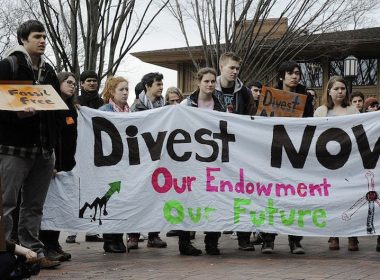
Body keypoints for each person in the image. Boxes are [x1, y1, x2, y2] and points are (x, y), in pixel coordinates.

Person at [0, 20, 61, 268]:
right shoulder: (8, 65)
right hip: (13, 149)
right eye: (37, 36)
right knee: (6, 204)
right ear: (23, 40)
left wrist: (55, 150)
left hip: (43, 151)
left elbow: (55, 112)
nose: (43, 40)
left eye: (45, 36)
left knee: (34, 206)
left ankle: (33, 252)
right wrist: (16, 114)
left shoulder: (48, 72)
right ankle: (3, 254)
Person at [260, 60, 313, 255]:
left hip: (295, 153)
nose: (294, 76)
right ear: (282, 76)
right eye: (290, 73)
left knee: (295, 197)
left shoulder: (306, 98)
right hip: (273, 152)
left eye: (297, 73)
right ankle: (268, 239)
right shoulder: (270, 97)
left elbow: (310, 124)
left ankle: (295, 240)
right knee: (271, 197)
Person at [182, 67, 226, 255]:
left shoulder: (220, 104)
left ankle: (212, 241)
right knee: (188, 199)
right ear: (198, 82)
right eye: (206, 81)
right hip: (190, 159)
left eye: (212, 81)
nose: (209, 85)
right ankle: (185, 243)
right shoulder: (187, 104)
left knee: (214, 199)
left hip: (213, 160)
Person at [314, 76, 360, 251]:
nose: (340, 91)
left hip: (350, 163)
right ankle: (333, 235)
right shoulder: (320, 111)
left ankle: (352, 236)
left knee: (351, 198)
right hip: (328, 163)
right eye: (336, 89)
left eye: (343, 88)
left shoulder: (353, 111)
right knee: (332, 200)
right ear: (329, 91)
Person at [215, 52, 255, 251]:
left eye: (237, 68)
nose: (235, 71)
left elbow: (252, 118)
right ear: (221, 67)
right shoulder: (208, 88)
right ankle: (212, 239)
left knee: (243, 193)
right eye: (231, 67)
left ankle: (244, 237)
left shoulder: (245, 93)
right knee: (215, 193)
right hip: (214, 152)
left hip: (240, 151)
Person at [39, 72, 78, 262]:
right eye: (68, 82)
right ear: (59, 83)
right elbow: (53, 137)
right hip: (52, 165)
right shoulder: (51, 108)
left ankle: (54, 244)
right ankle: (46, 246)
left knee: (59, 207)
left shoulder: (71, 109)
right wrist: (52, 163)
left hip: (66, 166)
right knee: (48, 208)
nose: (72, 86)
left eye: (74, 83)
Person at [128, 72, 167, 250]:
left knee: (157, 197)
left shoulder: (165, 106)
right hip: (140, 158)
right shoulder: (136, 107)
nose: (161, 87)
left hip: (159, 157)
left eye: (161, 84)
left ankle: (154, 235)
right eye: (158, 84)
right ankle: (133, 235)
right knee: (137, 196)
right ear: (147, 86)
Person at [66, 70, 103, 244]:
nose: (92, 83)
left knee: (93, 191)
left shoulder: (102, 103)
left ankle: (91, 231)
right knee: (76, 190)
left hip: (95, 153)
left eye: (94, 80)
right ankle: (72, 230)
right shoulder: (76, 102)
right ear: (82, 84)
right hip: (77, 151)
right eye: (88, 80)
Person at [98, 76, 130, 253]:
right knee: (110, 200)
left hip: (125, 163)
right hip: (109, 163)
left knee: (121, 200)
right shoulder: (104, 110)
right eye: (121, 90)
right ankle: (109, 239)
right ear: (111, 91)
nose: (125, 93)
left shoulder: (130, 111)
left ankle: (118, 237)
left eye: (127, 89)